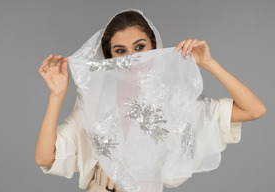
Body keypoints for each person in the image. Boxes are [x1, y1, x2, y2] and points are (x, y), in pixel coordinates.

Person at [36, 9, 266, 192]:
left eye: (139, 47)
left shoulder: (175, 102)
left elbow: (255, 110)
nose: (133, 58)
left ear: (154, 47)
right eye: (120, 51)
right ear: (110, 59)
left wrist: (209, 63)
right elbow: (44, 157)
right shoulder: (96, 101)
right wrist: (56, 97)